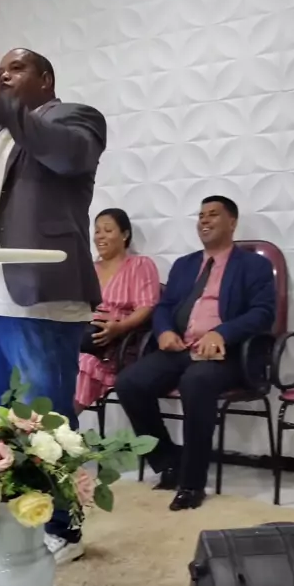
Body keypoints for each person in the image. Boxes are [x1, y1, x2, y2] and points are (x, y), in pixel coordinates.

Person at [0, 48, 107, 563]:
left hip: (38, 297)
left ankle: (63, 529)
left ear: (46, 78)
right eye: (0, 72)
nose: (5, 76)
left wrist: (8, 109)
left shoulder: (74, 118)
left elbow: (67, 156)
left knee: (47, 421)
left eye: (16, 69)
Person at [115, 196, 276, 511]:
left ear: (232, 222)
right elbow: (164, 307)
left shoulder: (254, 265)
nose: (204, 220)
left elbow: (263, 313)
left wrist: (222, 333)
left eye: (213, 214)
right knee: (129, 383)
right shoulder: (185, 265)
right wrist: (164, 331)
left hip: (228, 354)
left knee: (196, 381)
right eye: (201, 215)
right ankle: (168, 462)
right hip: (182, 348)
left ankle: (191, 483)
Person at [75, 208, 160, 410]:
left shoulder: (140, 265)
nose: (100, 236)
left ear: (125, 234)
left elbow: (146, 306)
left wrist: (119, 327)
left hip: (119, 345)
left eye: (107, 230)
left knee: (83, 363)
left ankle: (62, 423)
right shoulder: (89, 269)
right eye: (97, 231)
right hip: (83, 338)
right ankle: (47, 422)